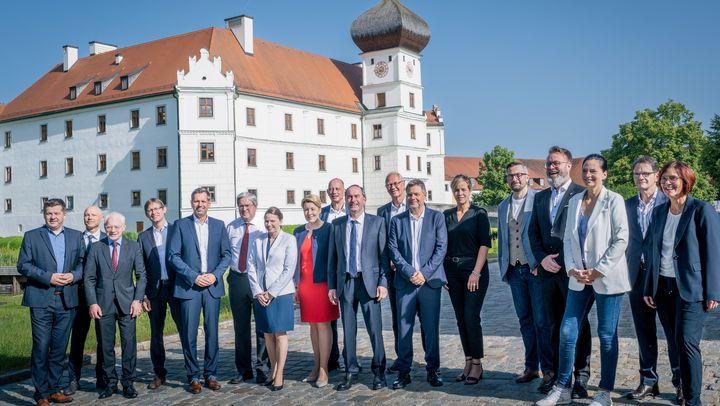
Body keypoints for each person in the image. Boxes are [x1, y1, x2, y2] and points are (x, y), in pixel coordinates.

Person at [536, 154, 630, 406]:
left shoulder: (614, 200)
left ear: (604, 174)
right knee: (568, 331)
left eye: (594, 171)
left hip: (607, 278)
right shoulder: (576, 200)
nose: (588, 175)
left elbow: (621, 239)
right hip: (578, 277)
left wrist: (598, 270)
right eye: (585, 171)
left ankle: (604, 393)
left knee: (607, 334)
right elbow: (568, 239)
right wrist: (572, 269)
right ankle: (562, 388)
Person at [644, 161, 720, 406]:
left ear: (686, 180)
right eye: (665, 178)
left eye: (673, 178)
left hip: (692, 288)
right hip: (664, 287)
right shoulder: (658, 212)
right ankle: (681, 387)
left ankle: (693, 399)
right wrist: (649, 287)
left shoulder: (701, 209)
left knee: (687, 342)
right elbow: (652, 253)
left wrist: (714, 291)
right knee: (674, 342)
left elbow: (713, 252)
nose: (668, 183)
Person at [529, 146, 592, 398]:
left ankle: (581, 377)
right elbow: (532, 233)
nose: (551, 167)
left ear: (568, 165)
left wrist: (570, 263)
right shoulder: (540, 197)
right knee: (552, 325)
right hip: (547, 273)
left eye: (556, 163)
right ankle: (556, 376)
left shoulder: (582, 193)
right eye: (549, 163)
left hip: (573, 273)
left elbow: (585, 233)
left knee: (578, 325)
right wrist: (542, 259)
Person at [17, 198, 84, 406]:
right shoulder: (31, 237)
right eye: (49, 213)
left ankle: (55, 389)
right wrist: (49, 277)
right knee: (41, 347)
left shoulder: (76, 236)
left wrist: (74, 275)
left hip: (67, 301)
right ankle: (41, 394)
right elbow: (23, 265)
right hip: (41, 300)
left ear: (64, 214)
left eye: (56, 213)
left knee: (58, 348)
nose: (53, 217)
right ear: (44, 215)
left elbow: (83, 263)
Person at [624, 156, 678, 401]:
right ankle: (648, 380)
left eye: (645, 173)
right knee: (643, 332)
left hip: (664, 277)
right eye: (637, 174)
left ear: (657, 175)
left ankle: (680, 382)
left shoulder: (670, 203)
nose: (641, 177)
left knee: (673, 332)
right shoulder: (626, 205)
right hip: (636, 276)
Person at [168, 187, 232, 394]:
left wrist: (214, 275)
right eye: (196, 201)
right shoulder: (180, 225)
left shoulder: (219, 226)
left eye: (203, 201)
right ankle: (193, 376)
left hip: (212, 285)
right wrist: (193, 276)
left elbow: (227, 254)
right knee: (189, 334)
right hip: (190, 286)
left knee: (212, 332)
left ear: (209, 203)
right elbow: (173, 256)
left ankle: (211, 374)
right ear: (191, 203)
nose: (200, 205)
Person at [328, 185, 389, 391]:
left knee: (374, 329)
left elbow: (383, 257)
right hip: (346, 283)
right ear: (345, 200)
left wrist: (383, 282)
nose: (353, 200)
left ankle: (379, 371)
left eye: (356, 196)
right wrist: (332, 286)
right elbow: (332, 259)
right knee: (348, 330)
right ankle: (350, 371)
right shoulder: (337, 225)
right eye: (349, 197)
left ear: (364, 198)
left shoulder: (377, 223)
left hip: (369, 282)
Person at [388, 179, 448, 389]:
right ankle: (404, 372)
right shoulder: (397, 221)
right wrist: (409, 272)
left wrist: (424, 273)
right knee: (404, 330)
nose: (413, 198)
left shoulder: (436, 218)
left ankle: (433, 370)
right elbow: (393, 250)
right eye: (410, 194)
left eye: (417, 194)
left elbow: (441, 248)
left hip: (429, 283)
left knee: (430, 330)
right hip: (405, 283)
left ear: (424, 195)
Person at [84, 212, 147, 399]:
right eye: (109, 227)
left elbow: (141, 276)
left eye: (116, 227)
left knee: (129, 344)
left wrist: (138, 300)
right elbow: (88, 278)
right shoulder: (96, 248)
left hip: (128, 304)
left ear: (123, 228)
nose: (112, 230)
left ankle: (128, 383)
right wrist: (92, 302)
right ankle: (110, 383)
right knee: (105, 346)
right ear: (105, 228)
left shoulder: (133, 247)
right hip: (102, 305)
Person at [497, 163, 550, 384]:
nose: (515, 178)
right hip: (514, 269)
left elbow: (544, 233)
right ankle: (531, 367)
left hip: (534, 269)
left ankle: (549, 369)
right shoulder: (502, 206)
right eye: (511, 175)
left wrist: (539, 261)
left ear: (527, 177)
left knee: (541, 321)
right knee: (525, 320)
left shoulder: (538, 200)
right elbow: (502, 238)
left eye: (519, 174)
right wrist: (504, 267)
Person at [443, 174, 491, 385]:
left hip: (474, 271)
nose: (460, 193)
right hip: (452, 272)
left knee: (471, 316)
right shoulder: (447, 215)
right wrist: (442, 273)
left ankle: (478, 363)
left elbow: (484, 244)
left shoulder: (479, 214)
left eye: (463, 189)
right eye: (456, 190)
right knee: (461, 318)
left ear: (469, 190)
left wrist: (476, 272)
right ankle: (468, 360)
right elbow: (441, 244)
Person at [247, 207, 298, 392]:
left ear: (280, 221)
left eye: (273, 221)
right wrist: (259, 291)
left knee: (280, 334)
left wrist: (271, 292)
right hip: (261, 294)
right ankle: (273, 369)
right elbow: (250, 266)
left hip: (281, 294)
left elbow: (288, 269)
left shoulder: (289, 240)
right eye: (267, 221)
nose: (269, 224)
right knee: (267, 333)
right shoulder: (258, 240)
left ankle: (280, 373)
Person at [293, 195, 339, 388]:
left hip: (322, 285)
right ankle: (315, 366)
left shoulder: (329, 229)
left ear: (320, 210)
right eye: (306, 209)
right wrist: (295, 285)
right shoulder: (298, 232)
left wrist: (334, 286)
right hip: (305, 285)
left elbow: (334, 258)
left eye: (313, 209)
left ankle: (324, 369)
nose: (309, 213)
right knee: (312, 326)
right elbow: (295, 261)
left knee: (323, 326)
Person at [226, 192, 270, 385]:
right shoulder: (231, 227)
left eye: (248, 206)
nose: (244, 209)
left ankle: (263, 368)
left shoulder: (263, 227)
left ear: (255, 206)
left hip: (259, 281)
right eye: (241, 206)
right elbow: (226, 253)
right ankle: (243, 370)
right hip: (237, 279)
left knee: (262, 327)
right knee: (240, 327)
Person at [138, 198, 181, 390]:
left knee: (185, 329)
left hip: (176, 288)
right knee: (156, 334)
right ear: (147, 213)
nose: (154, 212)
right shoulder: (143, 237)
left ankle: (192, 372)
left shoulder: (176, 231)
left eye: (157, 208)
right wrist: (143, 296)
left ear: (164, 209)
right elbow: (141, 269)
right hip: (154, 291)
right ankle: (159, 372)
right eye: (150, 210)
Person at [66, 206, 106, 394]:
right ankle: (73, 379)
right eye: (86, 215)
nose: (89, 217)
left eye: (93, 215)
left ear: (101, 218)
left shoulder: (108, 238)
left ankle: (102, 378)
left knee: (103, 339)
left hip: (103, 295)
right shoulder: (75, 239)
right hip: (79, 295)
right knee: (77, 339)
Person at [376, 172, 406, 373]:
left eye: (396, 183)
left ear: (403, 184)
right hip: (394, 272)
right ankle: (402, 356)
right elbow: (380, 242)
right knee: (397, 317)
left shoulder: (414, 202)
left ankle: (431, 358)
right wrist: (388, 262)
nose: (393, 187)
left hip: (415, 271)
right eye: (389, 184)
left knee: (422, 317)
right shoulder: (382, 212)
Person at [319, 177, 346, 371]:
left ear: (343, 191)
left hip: (349, 269)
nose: (334, 191)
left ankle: (351, 356)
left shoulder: (352, 209)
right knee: (331, 317)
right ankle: (332, 357)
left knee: (351, 317)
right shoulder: (323, 214)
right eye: (331, 189)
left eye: (337, 188)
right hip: (330, 270)